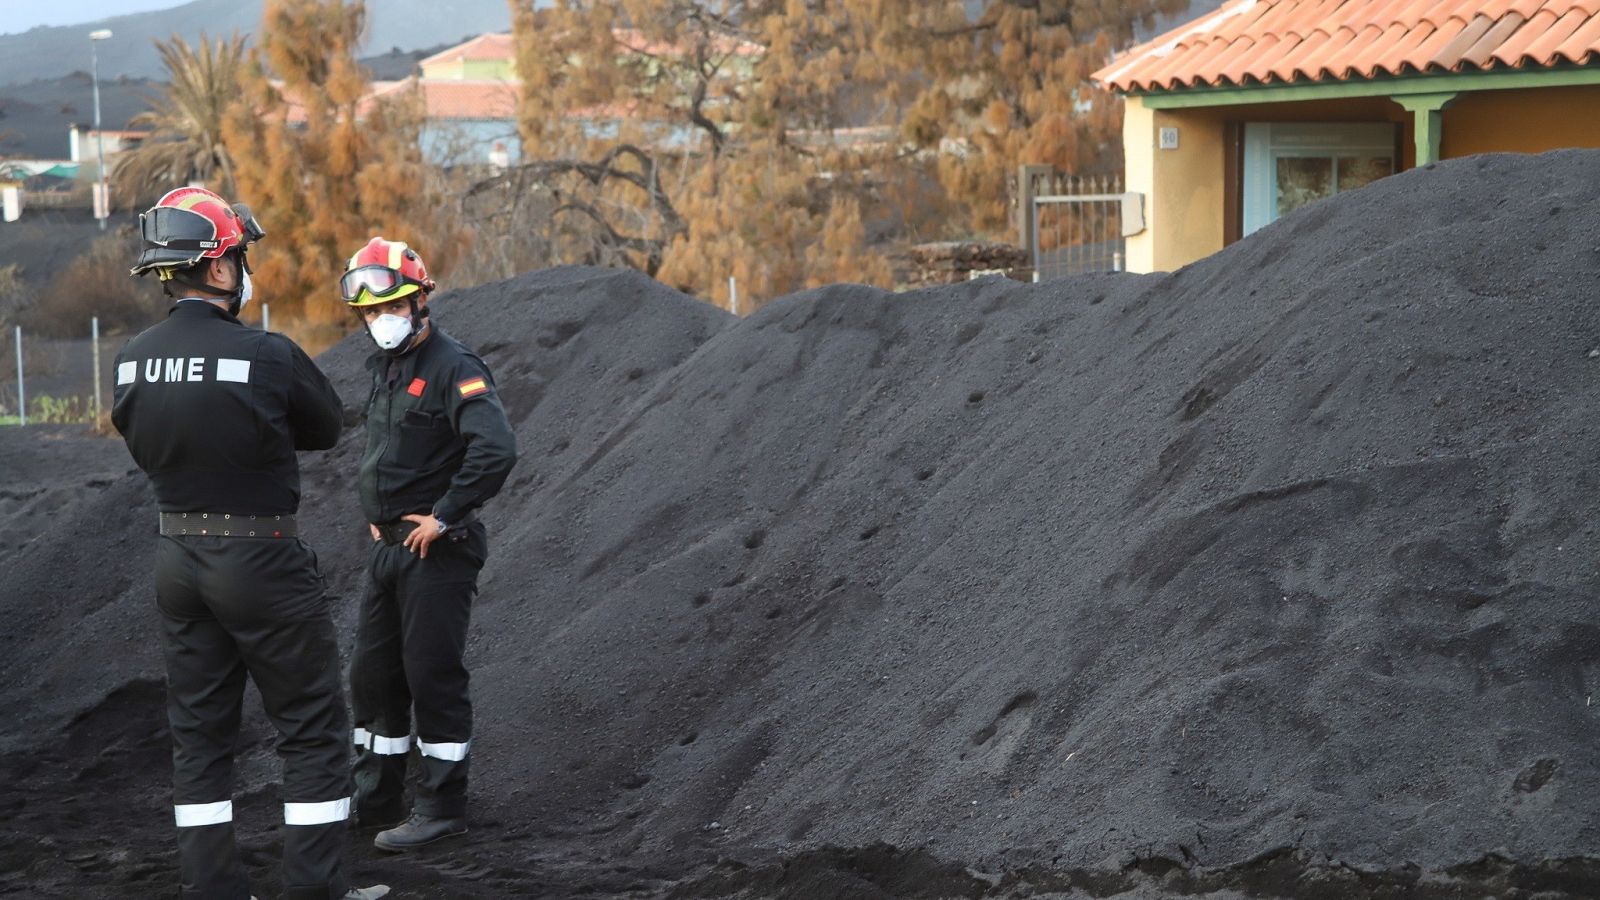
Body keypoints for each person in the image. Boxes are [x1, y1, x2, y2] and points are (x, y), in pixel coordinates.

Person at [112, 187, 387, 900]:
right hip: (260, 559)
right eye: (240, 254)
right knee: (312, 729)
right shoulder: (265, 352)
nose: (244, 266)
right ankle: (315, 890)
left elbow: (140, 440)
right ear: (218, 267)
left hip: (177, 561)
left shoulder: (132, 360)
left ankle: (213, 890)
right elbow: (325, 427)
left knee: (200, 738)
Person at [341, 236, 517, 851]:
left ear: (419, 302)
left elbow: (495, 450)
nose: (378, 320)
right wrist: (380, 513)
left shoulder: (455, 366)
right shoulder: (386, 367)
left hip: (438, 551)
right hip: (390, 550)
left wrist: (443, 516)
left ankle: (442, 806)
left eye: (390, 306)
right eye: (368, 312)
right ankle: (375, 799)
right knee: (373, 678)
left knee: (430, 675)